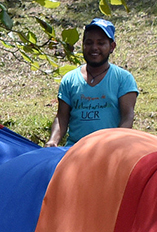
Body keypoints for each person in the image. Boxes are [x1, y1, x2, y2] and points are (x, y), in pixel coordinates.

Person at [45, 18, 138, 146]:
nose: (94, 48)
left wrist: (114, 144)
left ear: (112, 47)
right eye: (89, 43)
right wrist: (53, 141)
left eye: (100, 43)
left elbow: (127, 117)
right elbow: (61, 118)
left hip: (108, 151)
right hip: (74, 151)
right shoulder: (70, 79)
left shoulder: (123, 79)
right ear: (83, 45)